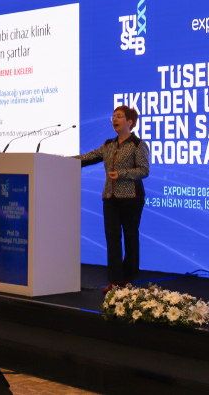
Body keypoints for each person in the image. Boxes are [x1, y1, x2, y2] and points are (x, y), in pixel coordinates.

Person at [73, 106, 150, 291]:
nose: (114, 119)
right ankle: (115, 280)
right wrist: (64, 160)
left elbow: (144, 170)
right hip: (110, 197)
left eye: (119, 116)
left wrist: (122, 174)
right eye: (113, 116)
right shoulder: (109, 145)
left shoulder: (138, 144)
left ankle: (128, 278)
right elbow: (89, 157)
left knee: (130, 236)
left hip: (132, 197)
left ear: (130, 122)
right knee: (112, 238)